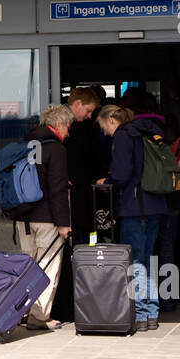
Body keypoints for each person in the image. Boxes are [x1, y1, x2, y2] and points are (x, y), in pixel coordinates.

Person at [96, 103, 168, 331]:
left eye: (103, 128)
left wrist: (106, 182)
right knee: (147, 259)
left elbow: (122, 173)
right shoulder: (147, 131)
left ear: (110, 120)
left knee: (135, 262)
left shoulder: (124, 136)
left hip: (135, 207)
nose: (105, 133)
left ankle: (139, 314)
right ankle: (151, 313)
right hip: (155, 204)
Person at [18, 103, 73, 331]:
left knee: (27, 266)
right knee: (47, 266)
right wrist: (64, 224)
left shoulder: (26, 144)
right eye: (68, 127)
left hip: (23, 218)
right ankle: (39, 317)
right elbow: (58, 189)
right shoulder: (56, 149)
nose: (68, 132)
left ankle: (22, 310)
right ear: (58, 124)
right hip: (46, 218)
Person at [65, 86, 103, 243]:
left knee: (88, 230)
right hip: (73, 192)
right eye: (88, 110)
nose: (90, 116)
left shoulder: (88, 126)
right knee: (79, 231)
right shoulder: (60, 124)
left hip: (85, 191)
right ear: (78, 103)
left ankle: (86, 260)